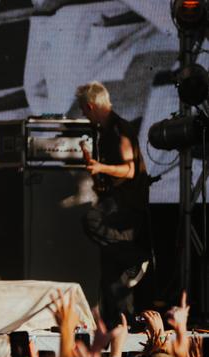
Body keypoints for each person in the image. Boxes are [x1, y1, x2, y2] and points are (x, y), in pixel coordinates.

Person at [76, 81, 150, 327]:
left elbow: (129, 171)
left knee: (91, 220)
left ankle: (136, 258)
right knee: (112, 276)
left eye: (84, 110)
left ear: (90, 105)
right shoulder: (104, 132)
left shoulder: (120, 130)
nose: (84, 115)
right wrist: (94, 168)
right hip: (115, 202)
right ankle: (119, 326)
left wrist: (100, 167)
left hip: (127, 205)